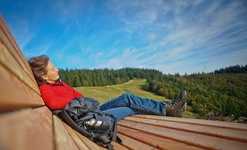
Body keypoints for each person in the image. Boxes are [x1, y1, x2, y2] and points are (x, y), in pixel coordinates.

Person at [28, 55, 187, 121]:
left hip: (92, 110)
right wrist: (77, 100)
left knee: (127, 98)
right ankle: (167, 110)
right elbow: (54, 103)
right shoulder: (46, 88)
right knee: (130, 108)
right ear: (43, 76)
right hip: (90, 119)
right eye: (53, 68)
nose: (58, 69)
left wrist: (81, 100)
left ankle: (166, 108)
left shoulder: (59, 83)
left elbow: (78, 95)